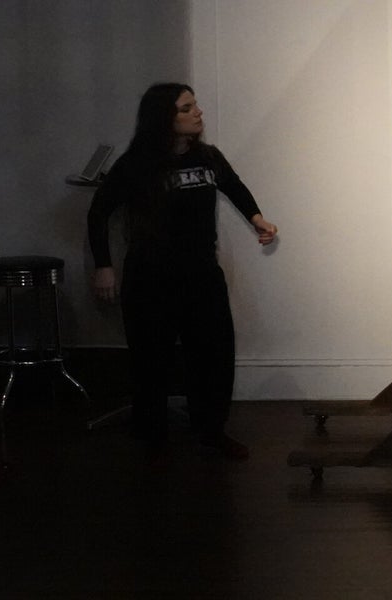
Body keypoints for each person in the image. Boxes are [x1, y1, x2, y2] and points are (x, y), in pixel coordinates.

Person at [88, 82, 278, 459]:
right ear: (164, 117)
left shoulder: (208, 157)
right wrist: (103, 266)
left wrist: (258, 219)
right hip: (150, 278)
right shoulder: (136, 164)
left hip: (201, 274)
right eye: (187, 108)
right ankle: (151, 437)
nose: (198, 112)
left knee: (213, 354)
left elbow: (234, 186)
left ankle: (211, 431)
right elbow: (98, 213)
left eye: (196, 105)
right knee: (151, 358)